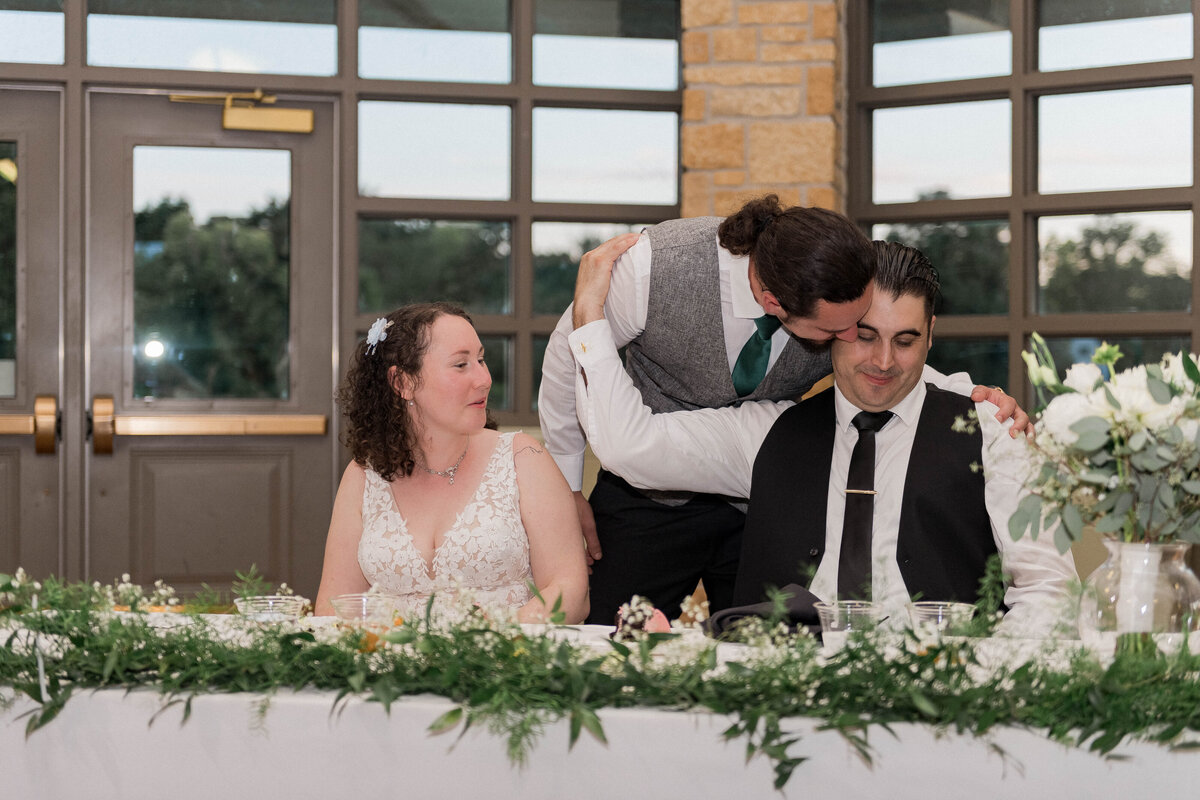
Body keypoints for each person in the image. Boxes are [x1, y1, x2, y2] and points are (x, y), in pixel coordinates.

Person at [568, 242, 1073, 633]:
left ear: (931, 334)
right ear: (836, 327)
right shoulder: (766, 432)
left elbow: (1048, 586)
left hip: (942, 699)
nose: (882, 362)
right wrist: (592, 317)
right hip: (788, 701)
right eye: (866, 336)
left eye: (906, 340)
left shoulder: (990, 430)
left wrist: (988, 676)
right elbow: (627, 447)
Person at [539, 195, 881, 623]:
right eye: (833, 330)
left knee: (765, 654)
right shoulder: (651, 267)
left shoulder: (851, 287)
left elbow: (888, 362)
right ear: (773, 302)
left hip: (764, 498)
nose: (852, 336)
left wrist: (969, 393)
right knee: (608, 638)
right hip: (645, 492)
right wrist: (566, 489)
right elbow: (567, 357)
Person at [315, 302, 588, 623]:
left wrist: (491, 640)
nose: (484, 378)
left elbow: (570, 591)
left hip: (506, 661)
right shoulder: (363, 475)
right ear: (402, 383)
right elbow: (334, 607)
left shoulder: (522, 459)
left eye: (481, 359)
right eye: (461, 365)